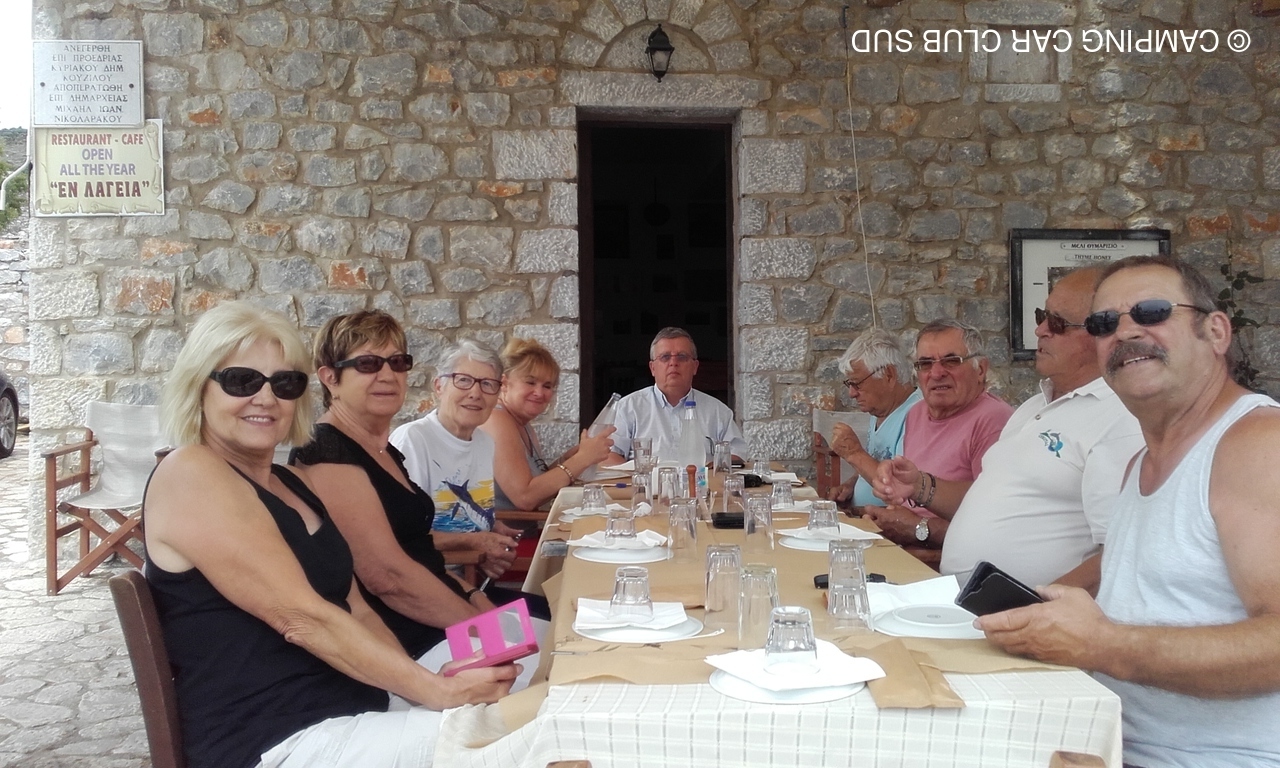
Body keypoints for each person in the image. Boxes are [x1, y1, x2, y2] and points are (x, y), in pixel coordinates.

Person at [143, 301, 514, 768]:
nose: (266, 398)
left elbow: (358, 610)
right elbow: (302, 617)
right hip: (273, 738)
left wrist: (416, 687)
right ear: (199, 387)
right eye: (242, 380)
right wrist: (438, 692)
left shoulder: (291, 482)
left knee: (527, 703)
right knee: (512, 739)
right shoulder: (192, 472)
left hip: (351, 711)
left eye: (285, 383)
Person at [977, 256, 1280, 766]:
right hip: (1108, 740)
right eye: (1103, 322)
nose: (1126, 331)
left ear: (1215, 332)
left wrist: (1104, 646)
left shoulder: (1257, 444)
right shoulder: (1140, 464)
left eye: (1152, 311)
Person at [291, 311, 546, 671]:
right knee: (550, 670)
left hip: (444, 608)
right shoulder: (327, 453)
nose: (387, 375)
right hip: (403, 642)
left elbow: (418, 550)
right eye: (367, 364)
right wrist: (485, 631)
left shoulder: (383, 452)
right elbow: (388, 579)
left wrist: (474, 595)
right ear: (330, 377)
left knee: (563, 637)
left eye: (397, 362)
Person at [878, 269, 1145, 587]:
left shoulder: (1119, 418)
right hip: (962, 600)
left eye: (1057, 323)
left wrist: (1040, 607)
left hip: (1024, 612)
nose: (1040, 330)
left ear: (1103, 333)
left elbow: (1120, 554)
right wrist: (918, 486)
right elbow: (988, 498)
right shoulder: (1034, 406)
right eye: (1041, 316)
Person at [865, 319, 1014, 551]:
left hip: (945, 562)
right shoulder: (916, 413)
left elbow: (996, 522)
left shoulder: (994, 420)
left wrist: (920, 529)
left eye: (951, 361)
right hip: (905, 550)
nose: (936, 373)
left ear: (981, 370)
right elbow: (912, 499)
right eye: (925, 364)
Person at [390, 340, 522, 578]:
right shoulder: (412, 441)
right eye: (463, 380)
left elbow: (463, 511)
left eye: (487, 384)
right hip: (430, 583)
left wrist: (492, 529)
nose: (475, 393)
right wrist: (475, 543)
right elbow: (401, 536)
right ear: (439, 386)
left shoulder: (484, 442)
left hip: (476, 577)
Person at [479, 338, 615, 510]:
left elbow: (539, 486)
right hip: (504, 527)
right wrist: (582, 459)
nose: (539, 392)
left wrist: (568, 458)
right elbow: (525, 497)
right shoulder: (496, 420)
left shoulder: (523, 425)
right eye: (530, 382)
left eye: (547, 386)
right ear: (504, 383)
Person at [603, 326, 748, 463]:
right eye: (665, 357)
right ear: (652, 368)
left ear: (695, 367)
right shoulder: (627, 408)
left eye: (682, 357)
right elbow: (607, 455)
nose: (673, 363)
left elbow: (737, 455)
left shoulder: (717, 411)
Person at [825, 328, 922, 512]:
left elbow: (903, 490)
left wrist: (854, 454)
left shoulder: (917, 415)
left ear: (889, 375)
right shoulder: (880, 409)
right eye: (849, 384)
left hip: (887, 525)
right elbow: (878, 463)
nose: (851, 393)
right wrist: (851, 485)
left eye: (857, 383)